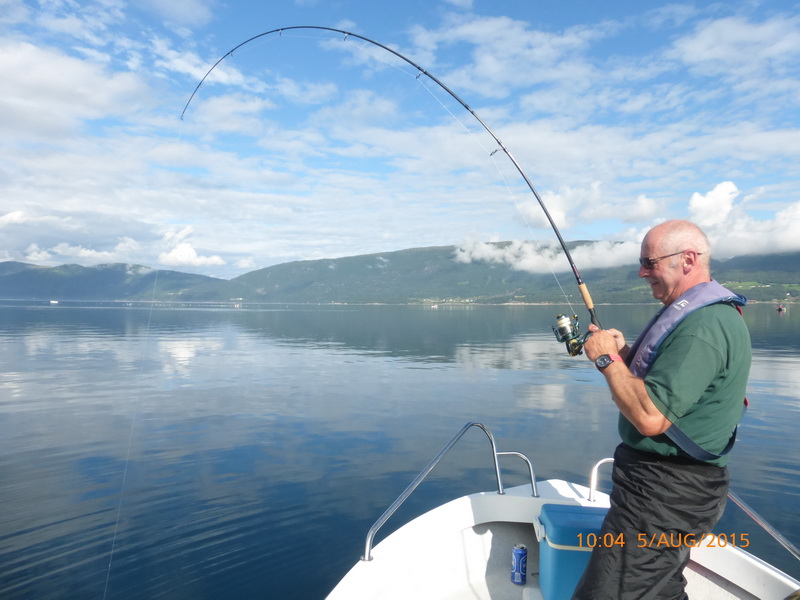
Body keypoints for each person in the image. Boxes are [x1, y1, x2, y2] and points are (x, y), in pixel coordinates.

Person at [572, 220, 752, 600]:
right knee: (661, 590)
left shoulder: (703, 326)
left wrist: (606, 359)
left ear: (687, 260)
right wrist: (624, 355)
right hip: (667, 489)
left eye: (649, 262)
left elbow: (651, 417)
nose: (642, 272)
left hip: (666, 493)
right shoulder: (700, 317)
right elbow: (671, 389)